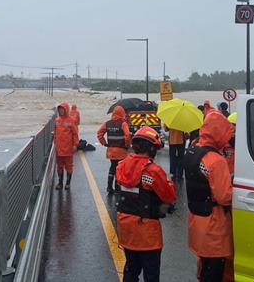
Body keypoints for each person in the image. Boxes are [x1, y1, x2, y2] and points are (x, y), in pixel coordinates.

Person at [116, 126, 176, 281]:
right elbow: (169, 196)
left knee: (131, 268)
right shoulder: (153, 171)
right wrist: (169, 183)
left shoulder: (121, 166)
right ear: (151, 148)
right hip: (147, 231)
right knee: (151, 273)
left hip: (125, 227)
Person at [184, 110, 235, 282]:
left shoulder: (192, 152)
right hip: (214, 226)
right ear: (219, 132)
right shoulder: (216, 160)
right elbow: (224, 197)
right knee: (214, 272)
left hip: (197, 221)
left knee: (204, 267)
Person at [97, 105, 132, 193]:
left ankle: (109, 186)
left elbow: (99, 133)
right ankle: (117, 188)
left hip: (111, 151)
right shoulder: (123, 123)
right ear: (122, 113)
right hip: (121, 150)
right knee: (119, 169)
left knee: (112, 168)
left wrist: (104, 143)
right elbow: (127, 135)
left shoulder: (107, 123)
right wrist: (127, 145)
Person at [54, 102, 79, 190]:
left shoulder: (72, 120)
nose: (61, 111)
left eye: (62, 109)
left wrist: (75, 144)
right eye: (60, 109)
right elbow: (55, 135)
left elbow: (75, 134)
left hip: (68, 147)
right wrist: (55, 144)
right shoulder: (57, 120)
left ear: (66, 109)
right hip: (59, 148)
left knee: (69, 165)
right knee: (59, 166)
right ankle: (60, 183)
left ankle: (67, 183)